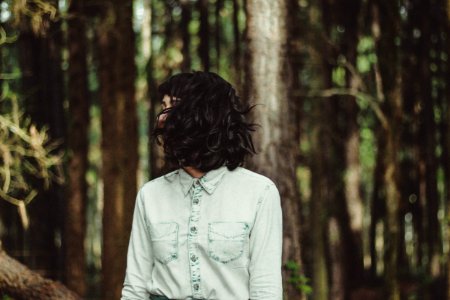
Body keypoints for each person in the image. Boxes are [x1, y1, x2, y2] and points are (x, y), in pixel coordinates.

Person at [120, 71, 283, 300]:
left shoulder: (259, 193)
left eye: (173, 106)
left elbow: (266, 291)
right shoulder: (150, 195)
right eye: (162, 107)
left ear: (206, 113)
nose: (161, 118)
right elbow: (135, 290)